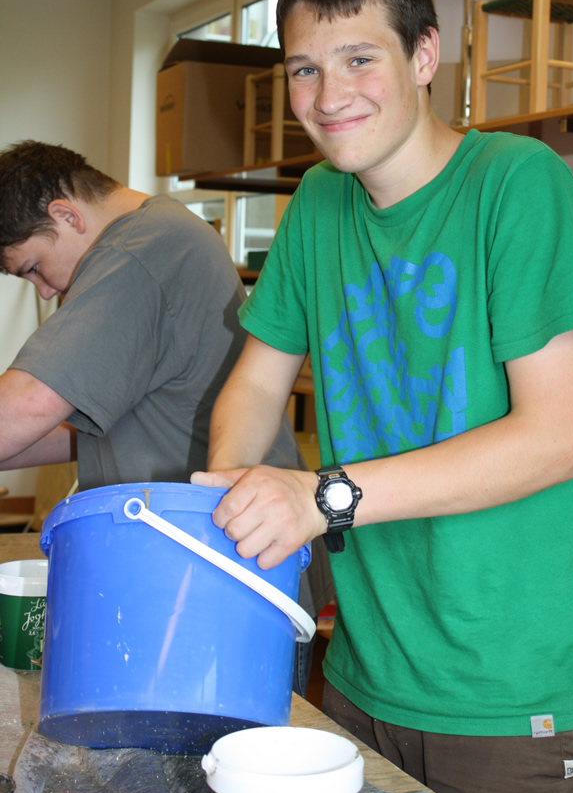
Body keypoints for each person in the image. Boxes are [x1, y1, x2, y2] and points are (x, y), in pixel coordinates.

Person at [191, 0, 573, 793]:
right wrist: (232, 495)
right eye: (304, 69)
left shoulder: (518, 185)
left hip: (508, 695)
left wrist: (321, 497)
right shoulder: (318, 203)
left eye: (359, 59)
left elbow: (555, 439)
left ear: (424, 56)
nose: (328, 95)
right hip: (363, 674)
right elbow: (257, 384)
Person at [0, 140, 332, 696]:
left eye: (34, 268)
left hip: (220, 581)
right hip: (197, 573)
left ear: (66, 215)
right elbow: (74, 430)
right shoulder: (158, 236)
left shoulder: (140, 250)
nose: (46, 289)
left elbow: (29, 402)